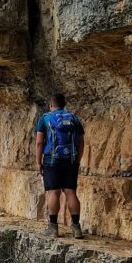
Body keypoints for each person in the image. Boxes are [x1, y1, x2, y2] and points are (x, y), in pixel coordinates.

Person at [35, 93, 85, 239]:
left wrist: (39, 162)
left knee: (53, 193)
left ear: (51, 105)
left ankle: (53, 227)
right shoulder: (74, 119)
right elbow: (81, 142)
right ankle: (76, 228)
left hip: (52, 160)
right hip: (71, 160)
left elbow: (39, 142)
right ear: (64, 104)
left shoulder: (45, 118)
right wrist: (77, 159)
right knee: (71, 192)